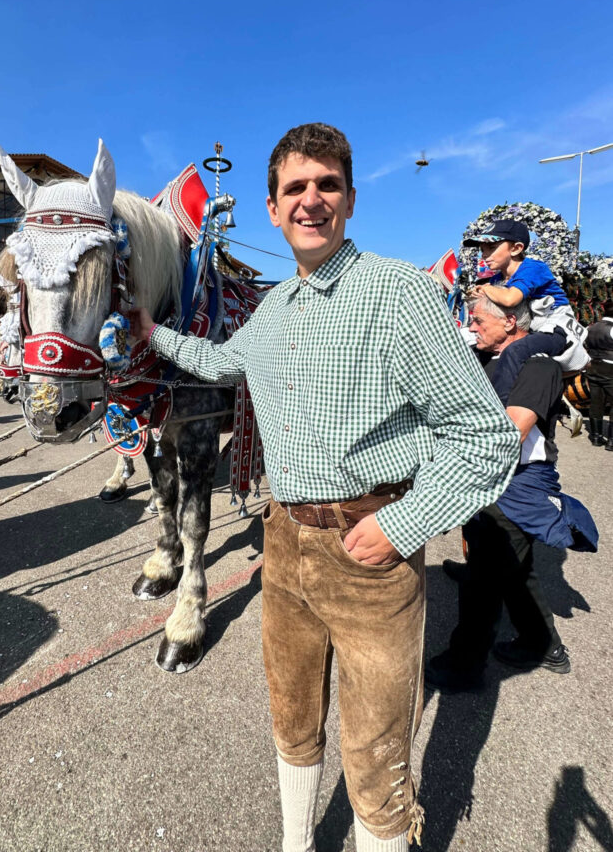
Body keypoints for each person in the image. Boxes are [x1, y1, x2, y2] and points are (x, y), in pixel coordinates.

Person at [128, 123, 519, 851]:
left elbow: (485, 437)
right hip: (283, 541)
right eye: (295, 188)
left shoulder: (399, 293)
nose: (310, 200)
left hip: (371, 549)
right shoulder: (274, 306)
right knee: (292, 715)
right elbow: (222, 364)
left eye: (327, 184)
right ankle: (297, 843)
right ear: (273, 209)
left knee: (375, 749)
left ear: (350, 200)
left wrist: (404, 525)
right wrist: (153, 335)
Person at [426, 293, 597, 694]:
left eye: (479, 321)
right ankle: (542, 645)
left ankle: (464, 666)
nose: (472, 328)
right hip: (486, 475)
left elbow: (511, 433)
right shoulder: (488, 358)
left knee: (484, 582)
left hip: (516, 480)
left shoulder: (538, 366)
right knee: (511, 568)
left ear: (509, 322)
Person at [464, 219, 588, 405]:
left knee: (515, 351)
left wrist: (486, 289)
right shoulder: (497, 279)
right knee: (475, 348)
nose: (485, 255)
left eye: (492, 247)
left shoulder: (532, 268)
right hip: (534, 327)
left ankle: (500, 408)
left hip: (556, 328)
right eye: (482, 249)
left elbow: (510, 299)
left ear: (516, 248)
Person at [584, 298, 613, 450]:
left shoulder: (591, 327)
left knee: (596, 402)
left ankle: (596, 437)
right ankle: (611, 441)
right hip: (610, 368)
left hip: (593, 367)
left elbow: (584, 345)